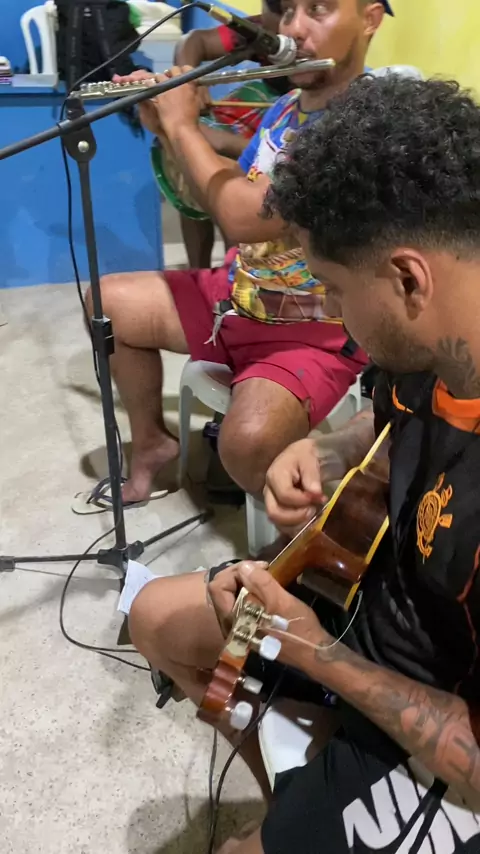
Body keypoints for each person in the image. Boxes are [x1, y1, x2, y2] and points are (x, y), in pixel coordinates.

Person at [129, 75, 480, 853]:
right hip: (360, 610)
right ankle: (297, 792)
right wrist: (323, 446)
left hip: (441, 714)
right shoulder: (436, 333)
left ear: (407, 277)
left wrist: (318, 653)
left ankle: (302, 812)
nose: (336, 318)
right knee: (157, 619)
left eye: (334, 291)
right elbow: (385, 414)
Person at [88, 0, 392, 506]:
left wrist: (184, 126)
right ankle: (152, 444)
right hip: (238, 294)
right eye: (289, 11)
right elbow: (213, 192)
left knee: (246, 445)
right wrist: (164, 126)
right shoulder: (285, 108)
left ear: (370, 19)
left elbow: (243, 217)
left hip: (312, 330)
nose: (294, 29)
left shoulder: (364, 126)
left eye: (318, 9)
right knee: (108, 304)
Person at [173, 0, 293, 268]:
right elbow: (193, 41)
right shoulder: (259, 31)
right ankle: (200, 270)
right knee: (190, 162)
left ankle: (237, 268)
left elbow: (290, 145)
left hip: (292, 130)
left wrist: (217, 140)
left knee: (238, 180)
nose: (289, 26)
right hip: (269, 110)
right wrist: (188, 78)